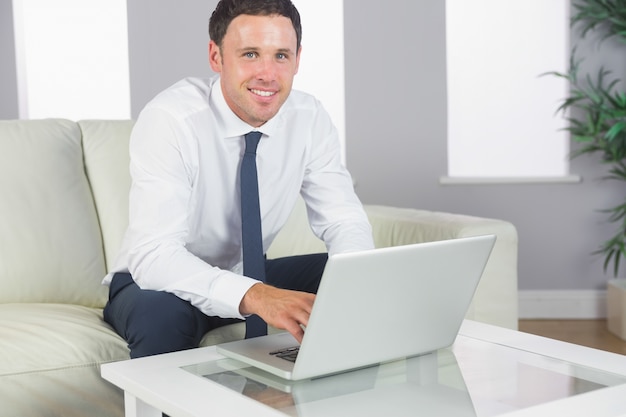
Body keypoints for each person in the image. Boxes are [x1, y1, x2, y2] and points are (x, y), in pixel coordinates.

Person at [103, 0, 374, 359]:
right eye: (250, 54)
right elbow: (154, 255)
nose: (268, 74)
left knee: (360, 275)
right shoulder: (171, 119)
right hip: (155, 282)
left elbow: (343, 220)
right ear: (216, 57)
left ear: (297, 58)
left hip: (248, 271)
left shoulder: (309, 118)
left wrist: (355, 283)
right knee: (161, 319)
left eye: (281, 56)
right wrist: (256, 295)